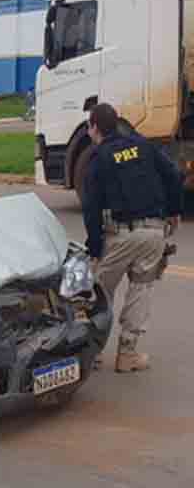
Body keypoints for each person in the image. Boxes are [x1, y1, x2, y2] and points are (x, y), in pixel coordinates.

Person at [82, 103, 183, 373]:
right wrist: (174, 211)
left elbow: (91, 206)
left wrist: (94, 246)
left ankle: (93, 353)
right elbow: (173, 175)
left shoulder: (98, 157)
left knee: (100, 292)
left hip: (120, 234)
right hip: (153, 233)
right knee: (141, 289)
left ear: (94, 127)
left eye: (89, 126)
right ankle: (127, 355)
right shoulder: (142, 145)